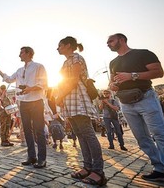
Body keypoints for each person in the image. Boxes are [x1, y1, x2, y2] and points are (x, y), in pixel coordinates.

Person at [107, 33, 164, 181]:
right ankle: (159, 168)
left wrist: (131, 76)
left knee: (159, 134)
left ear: (122, 40)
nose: (108, 43)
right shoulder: (113, 62)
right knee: (142, 138)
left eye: (111, 41)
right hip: (125, 103)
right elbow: (112, 83)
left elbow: (158, 72)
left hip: (146, 98)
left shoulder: (143, 54)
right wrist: (113, 85)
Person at [55, 36, 106, 186]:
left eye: (59, 45)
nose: (57, 48)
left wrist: (60, 96)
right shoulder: (66, 61)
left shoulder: (76, 57)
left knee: (88, 134)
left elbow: (73, 79)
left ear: (68, 45)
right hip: (70, 101)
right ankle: (87, 166)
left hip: (78, 99)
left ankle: (98, 171)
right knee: (80, 134)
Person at [0, 46, 48, 168]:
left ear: (29, 53)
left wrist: (30, 88)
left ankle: (42, 159)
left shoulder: (39, 66)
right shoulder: (19, 70)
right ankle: (31, 156)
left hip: (36, 101)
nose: (19, 55)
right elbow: (8, 79)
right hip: (23, 103)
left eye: (22, 53)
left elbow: (44, 84)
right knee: (27, 130)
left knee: (39, 130)